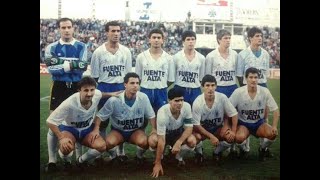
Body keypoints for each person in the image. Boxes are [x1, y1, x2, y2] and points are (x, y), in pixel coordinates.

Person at [77, 72, 156, 166]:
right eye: (132, 83)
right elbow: (100, 116)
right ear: (125, 84)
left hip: (135, 131)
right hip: (118, 131)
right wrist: (96, 129)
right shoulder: (114, 99)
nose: (135, 86)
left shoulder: (143, 97)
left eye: (137, 83)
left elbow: (151, 115)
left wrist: (154, 129)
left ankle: (139, 157)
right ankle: (114, 157)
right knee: (108, 143)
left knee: (144, 142)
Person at [44, 17, 88, 172]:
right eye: (63, 27)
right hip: (59, 87)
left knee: (76, 122)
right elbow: (51, 69)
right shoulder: (51, 47)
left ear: (73, 28)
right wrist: (72, 65)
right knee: (54, 123)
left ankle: (73, 159)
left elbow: (82, 67)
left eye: (69, 27)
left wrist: (61, 64)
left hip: (76, 87)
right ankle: (52, 160)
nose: (67, 30)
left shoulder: (81, 46)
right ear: (59, 29)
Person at [90, 20, 132, 163]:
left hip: (121, 88)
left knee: (121, 120)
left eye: (118, 31)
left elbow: (128, 75)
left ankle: (121, 152)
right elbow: (94, 76)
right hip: (104, 87)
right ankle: (100, 152)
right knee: (102, 121)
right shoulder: (98, 52)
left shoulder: (126, 51)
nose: (115, 34)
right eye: (112, 31)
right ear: (107, 32)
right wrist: (100, 93)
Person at [46, 76, 106, 171]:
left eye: (92, 90)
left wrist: (112, 94)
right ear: (79, 90)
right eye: (86, 90)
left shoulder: (97, 94)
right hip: (70, 129)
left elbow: (102, 94)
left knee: (102, 146)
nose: (89, 93)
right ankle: (67, 162)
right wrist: (61, 138)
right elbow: (50, 121)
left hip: (86, 129)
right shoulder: (69, 102)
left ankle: (81, 161)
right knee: (66, 148)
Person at [229, 67, 279, 161]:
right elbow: (228, 109)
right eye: (251, 77)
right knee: (239, 138)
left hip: (259, 123)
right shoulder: (238, 92)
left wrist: (275, 126)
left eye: (256, 77)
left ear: (258, 79)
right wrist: (231, 127)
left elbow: (276, 110)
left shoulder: (264, 91)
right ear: (246, 79)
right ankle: (244, 150)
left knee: (272, 134)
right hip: (243, 124)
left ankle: (263, 149)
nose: (253, 80)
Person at [236, 27, 271, 153]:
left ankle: (263, 147)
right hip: (247, 89)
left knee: (263, 117)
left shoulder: (266, 54)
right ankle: (245, 147)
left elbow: (265, 74)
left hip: (262, 87)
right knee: (246, 117)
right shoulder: (242, 54)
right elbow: (240, 75)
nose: (260, 38)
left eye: (261, 36)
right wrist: (245, 88)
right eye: (257, 36)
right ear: (250, 38)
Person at [151, 88, 196, 178]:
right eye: (176, 100)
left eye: (182, 100)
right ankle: (161, 158)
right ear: (169, 101)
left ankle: (178, 157)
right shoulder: (162, 113)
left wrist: (179, 142)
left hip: (178, 134)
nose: (180, 103)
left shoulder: (186, 107)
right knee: (153, 141)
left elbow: (189, 128)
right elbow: (161, 140)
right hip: (165, 135)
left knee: (192, 141)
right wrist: (158, 163)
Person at [192, 75, 238, 164]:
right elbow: (196, 125)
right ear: (202, 87)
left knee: (230, 137)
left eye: (213, 85)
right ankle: (199, 153)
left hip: (218, 128)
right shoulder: (198, 102)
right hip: (203, 129)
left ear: (216, 86)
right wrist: (211, 136)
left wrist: (232, 130)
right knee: (195, 138)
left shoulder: (222, 97)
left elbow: (234, 114)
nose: (210, 88)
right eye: (207, 85)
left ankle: (217, 152)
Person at [135, 28, 175, 114]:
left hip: (161, 92)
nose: (156, 40)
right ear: (149, 39)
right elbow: (138, 78)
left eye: (158, 38)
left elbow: (171, 80)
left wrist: (160, 85)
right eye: (154, 37)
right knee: (143, 118)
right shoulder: (141, 57)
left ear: (162, 40)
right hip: (145, 90)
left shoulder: (169, 58)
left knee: (161, 117)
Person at [173, 30, 205, 107]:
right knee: (179, 113)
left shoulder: (201, 58)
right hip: (180, 88)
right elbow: (173, 76)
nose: (191, 42)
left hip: (195, 90)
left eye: (193, 39)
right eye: (188, 39)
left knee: (195, 113)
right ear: (183, 42)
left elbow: (201, 78)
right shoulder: (176, 57)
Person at [205, 29, 238, 98]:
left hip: (232, 87)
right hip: (218, 87)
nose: (228, 40)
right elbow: (208, 76)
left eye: (229, 38)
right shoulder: (211, 56)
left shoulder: (235, 54)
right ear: (219, 40)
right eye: (225, 38)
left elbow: (238, 73)